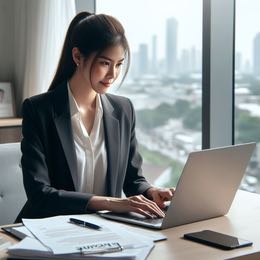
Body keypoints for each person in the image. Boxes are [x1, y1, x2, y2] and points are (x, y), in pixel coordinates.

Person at [16, 12, 174, 222]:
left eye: (118, 64)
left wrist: (151, 192)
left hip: (103, 231)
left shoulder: (123, 109)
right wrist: (109, 203)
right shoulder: (38, 110)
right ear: (77, 57)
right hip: (48, 231)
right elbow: (39, 194)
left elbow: (133, 179)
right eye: (105, 63)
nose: (113, 75)